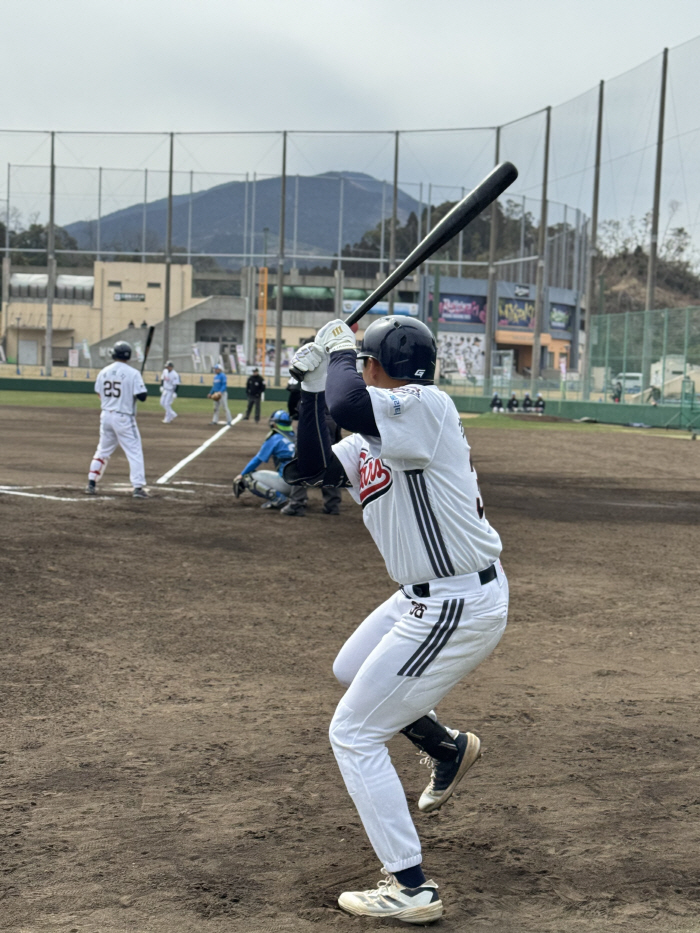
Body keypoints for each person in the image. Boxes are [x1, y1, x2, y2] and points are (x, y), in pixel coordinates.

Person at [285, 316, 509, 923]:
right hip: (424, 595)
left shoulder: (424, 406)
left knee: (354, 732)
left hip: (457, 601)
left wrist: (336, 352)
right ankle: (447, 747)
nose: (357, 368)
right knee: (350, 667)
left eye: (362, 359)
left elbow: (351, 402)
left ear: (376, 365)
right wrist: (308, 390)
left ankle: (410, 886)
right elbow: (312, 467)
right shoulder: (381, 426)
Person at [85, 341, 149, 499]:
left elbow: (99, 393)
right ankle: (138, 487)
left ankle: (91, 483)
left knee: (102, 451)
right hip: (124, 417)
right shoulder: (133, 373)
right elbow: (142, 397)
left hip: (106, 415)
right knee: (134, 452)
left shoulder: (104, 371)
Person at [280, 402, 343, 516]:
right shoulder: (333, 410)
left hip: (311, 423)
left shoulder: (311, 400)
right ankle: (332, 505)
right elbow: (338, 437)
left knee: (300, 468)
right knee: (329, 468)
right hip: (331, 430)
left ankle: (296, 504)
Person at [232, 410, 296, 509]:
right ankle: (298, 499)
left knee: (248, 477)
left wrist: (241, 474)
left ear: (274, 423)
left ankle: (277, 498)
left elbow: (257, 460)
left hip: (286, 484)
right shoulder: (295, 437)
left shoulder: (275, 438)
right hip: (300, 488)